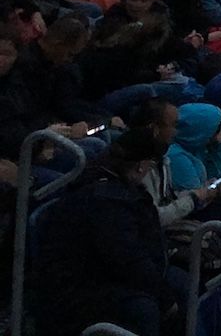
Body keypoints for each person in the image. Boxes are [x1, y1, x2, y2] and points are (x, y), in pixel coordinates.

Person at [29, 126, 177, 336]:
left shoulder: (115, 188)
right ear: (141, 166)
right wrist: (165, 297)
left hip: (102, 275)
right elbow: (127, 258)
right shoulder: (108, 201)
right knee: (148, 307)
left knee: (178, 284)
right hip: (78, 291)